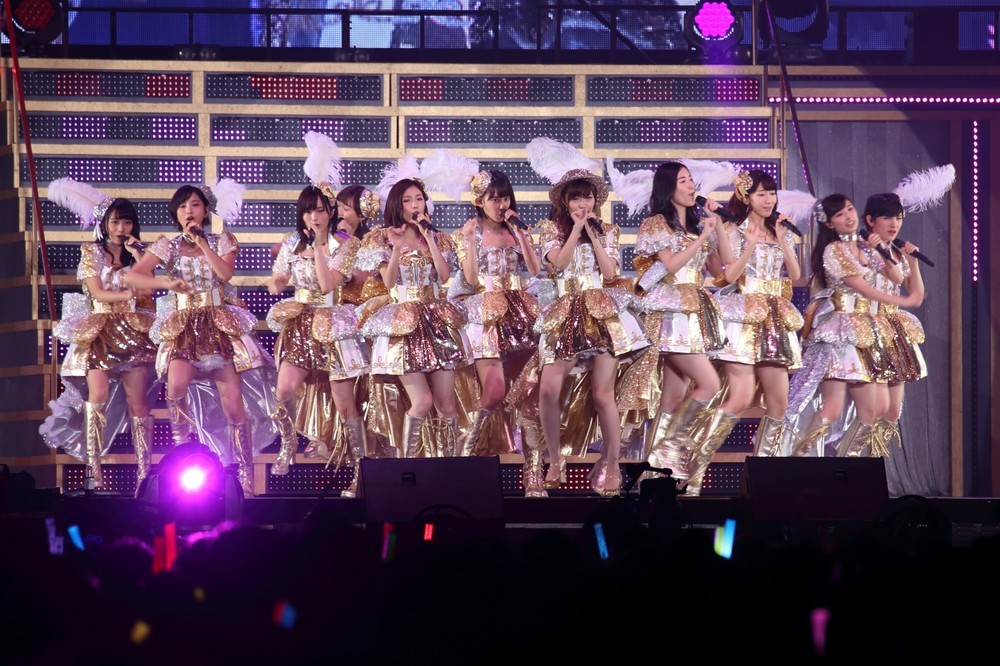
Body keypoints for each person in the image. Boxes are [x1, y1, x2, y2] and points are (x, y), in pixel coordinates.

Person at [125, 182, 271, 497]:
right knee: (175, 388)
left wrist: (203, 243)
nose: (188, 211)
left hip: (217, 324)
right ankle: (182, 455)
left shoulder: (222, 240)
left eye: (194, 205)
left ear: (205, 210)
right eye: (182, 206)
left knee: (234, 407)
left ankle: (244, 474)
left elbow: (225, 274)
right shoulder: (167, 245)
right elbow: (134, 275)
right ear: (176, 213)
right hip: (184, 326)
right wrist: (167, 283)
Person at [534, 168, 649, 497]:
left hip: (600, 310)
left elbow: (610, 272)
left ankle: (612, 463)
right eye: (576, 198)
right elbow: (558, 263)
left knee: (603, 394)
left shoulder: (608, 230)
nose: (582, 203)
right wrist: (575, 229)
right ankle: (555, 459)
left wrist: (594, 235)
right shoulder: (551, 230)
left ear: (596, 201)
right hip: (565, 311)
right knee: (548, 389)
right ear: (565, 203)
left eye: (587, 197)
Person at [40, 180, 158, 495]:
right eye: (115, 222)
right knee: (98, 397)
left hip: (133, 331)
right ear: (104, 224)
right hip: (99, 331)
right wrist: (129, 293)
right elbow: (97, 292)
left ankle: (145, 478)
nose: (121, 228)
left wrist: (138, 256)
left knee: (138, 403)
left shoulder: (141, 254)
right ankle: (94, 473)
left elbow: (149, 289)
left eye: (127, 222)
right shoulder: (91, 251)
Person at [786, 194, 922, 458]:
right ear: (829, 223)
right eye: (840, 214)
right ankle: (797, 458)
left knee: (874, 410)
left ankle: (846, 464)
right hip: (840, 330)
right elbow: (862, 288)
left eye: (850, 209)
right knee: (833, 408)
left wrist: (879, 250)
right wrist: (903, 300)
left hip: (864, 332)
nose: (848, 216)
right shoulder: (834, 250)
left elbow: (896, 276)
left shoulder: (864, 246)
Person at [623, 161, 732, 489]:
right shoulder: (657, 223)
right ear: (668, 188)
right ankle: (669, 450)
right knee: (710, 384)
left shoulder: (697, 225)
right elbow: (670, 265)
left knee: (672, 399)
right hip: (670, 313)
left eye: (691, 180)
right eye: (683, 181)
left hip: (693, 313)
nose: (690, 186)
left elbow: (723, 268)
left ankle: (651, 476)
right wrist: (702, 238)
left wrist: (716, 226)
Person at [357, 176, 470, 458]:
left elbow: (444, 276)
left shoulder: (438, 237)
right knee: (422, 401)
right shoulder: (381, 238)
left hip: (435, 321)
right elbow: (389, 282)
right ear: (398, 204)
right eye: (407, 200)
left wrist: (429, 237)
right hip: (403, 323)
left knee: (447, 406)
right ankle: (408, 465)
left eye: (419, 199)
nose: (415, 205)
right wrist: (396, 248)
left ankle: (447, 467)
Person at [265, 183, 368, 495]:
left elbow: (327, 285)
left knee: (346, 404)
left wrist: (320, 248)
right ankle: (288, 442)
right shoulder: (292, 242)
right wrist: (277, 281)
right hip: (301, 323)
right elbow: (278, 278)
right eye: (309, 211)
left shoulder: (347, 244)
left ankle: (360, 471)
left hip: (334, 323)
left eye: (321, 210)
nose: (315, 217)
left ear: (331, 212)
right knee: (283, 390)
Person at [705, 170, 803, 481]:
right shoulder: (734, 230)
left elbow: (796, 275)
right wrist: (750, 244)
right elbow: (730, 276)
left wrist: (783, 238)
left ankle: (763, 477)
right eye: (761, 194)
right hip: (744, 314)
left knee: (779, 403)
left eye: (772, 193)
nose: (768, 199)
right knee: (740, 398)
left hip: (774, 317)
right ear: (745, 197)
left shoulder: (780, 230)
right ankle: (693, 465)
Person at [451, 169, 543, 491]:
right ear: (480, 201)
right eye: (494, 199)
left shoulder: (517, 231)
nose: (501, 204)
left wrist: (522, 235)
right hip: (486, 314)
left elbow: (535, 269)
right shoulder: (469, 233)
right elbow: (471, 278)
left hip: (520, 313)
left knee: (528, 395)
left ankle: (533, 473)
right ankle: (463, 460)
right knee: (494, 392)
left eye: (505, 198)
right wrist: (468, 241)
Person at [860, 192, 926, 454]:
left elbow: (916, 294)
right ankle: (852, 462)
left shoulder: (897, 252)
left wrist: (913, 261)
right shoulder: (860, 249)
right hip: (867, 327)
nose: (894, 224)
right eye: (887, 217)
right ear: (870, 220)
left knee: (892, 412)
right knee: (875, 407)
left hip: (893, 330)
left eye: (898, 218)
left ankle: (874, 461)